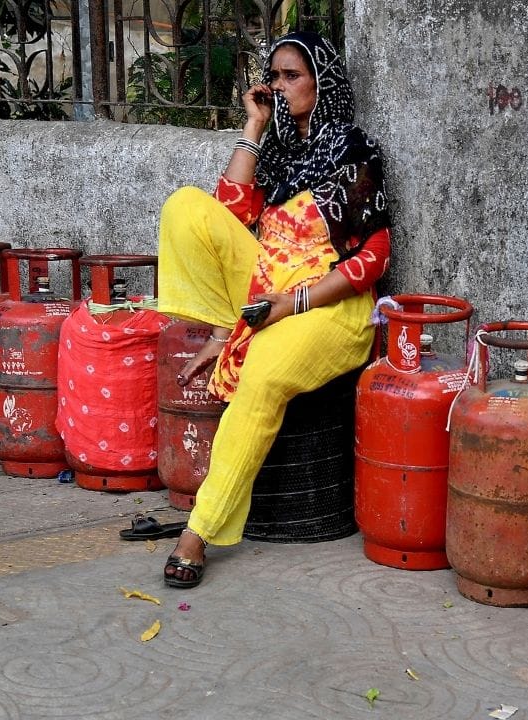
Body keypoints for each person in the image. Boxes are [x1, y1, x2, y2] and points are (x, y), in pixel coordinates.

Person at [155, 30, 392, 588]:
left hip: (331, 306)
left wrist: (294, 302)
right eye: (275, 77)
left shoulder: (353, 150)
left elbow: (375, 256)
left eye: (293, 76)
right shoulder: (280, 155)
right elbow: (230, 213)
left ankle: (198, 532)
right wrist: (254, 126)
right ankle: (225, 329)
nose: (280, 87)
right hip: (268, 287)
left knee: (260, 376)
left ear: (321, 82)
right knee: (186, 207)